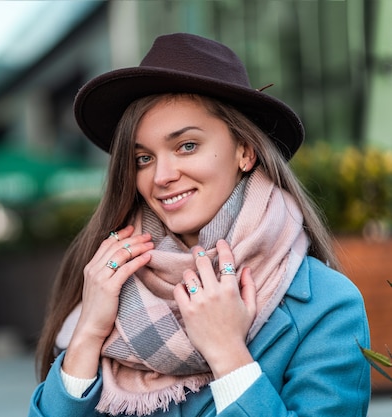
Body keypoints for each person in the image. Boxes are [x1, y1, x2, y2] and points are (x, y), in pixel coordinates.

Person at [28, 33, 370, 417]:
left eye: (186, 146)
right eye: (143, 158)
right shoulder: (109, 284)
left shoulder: (327, 306)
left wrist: (228, 353)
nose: (162, 176)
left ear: (245, 151)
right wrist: (89, 331)